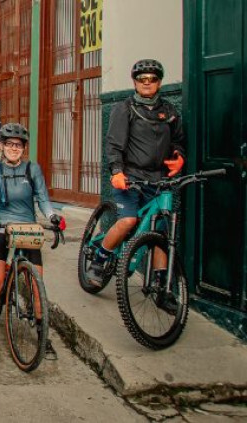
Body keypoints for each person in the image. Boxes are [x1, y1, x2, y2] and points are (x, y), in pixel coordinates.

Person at [86, 59, 185, 291]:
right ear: (135, 82)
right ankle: (99, 261)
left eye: (152, 79)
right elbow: (114, 145)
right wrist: (117, 171)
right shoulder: (125, 108)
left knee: (160, 231)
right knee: (128, 220)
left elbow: (178, 141)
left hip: (159, 179)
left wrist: (179, 156)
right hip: (129, 177)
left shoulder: (169, 111)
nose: (147, 83)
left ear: (159, 82)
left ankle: (161, 284)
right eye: (142, 79)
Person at [0, 123, 65, 359]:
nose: (14, 148)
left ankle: (43, 337)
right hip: (2, 227)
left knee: (38, 286)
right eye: (9, 144)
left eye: (19, 145)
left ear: (24, 148)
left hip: (28, 229)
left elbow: (43, 198)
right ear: (2, 146)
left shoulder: (32, 169)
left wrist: (53, 216)